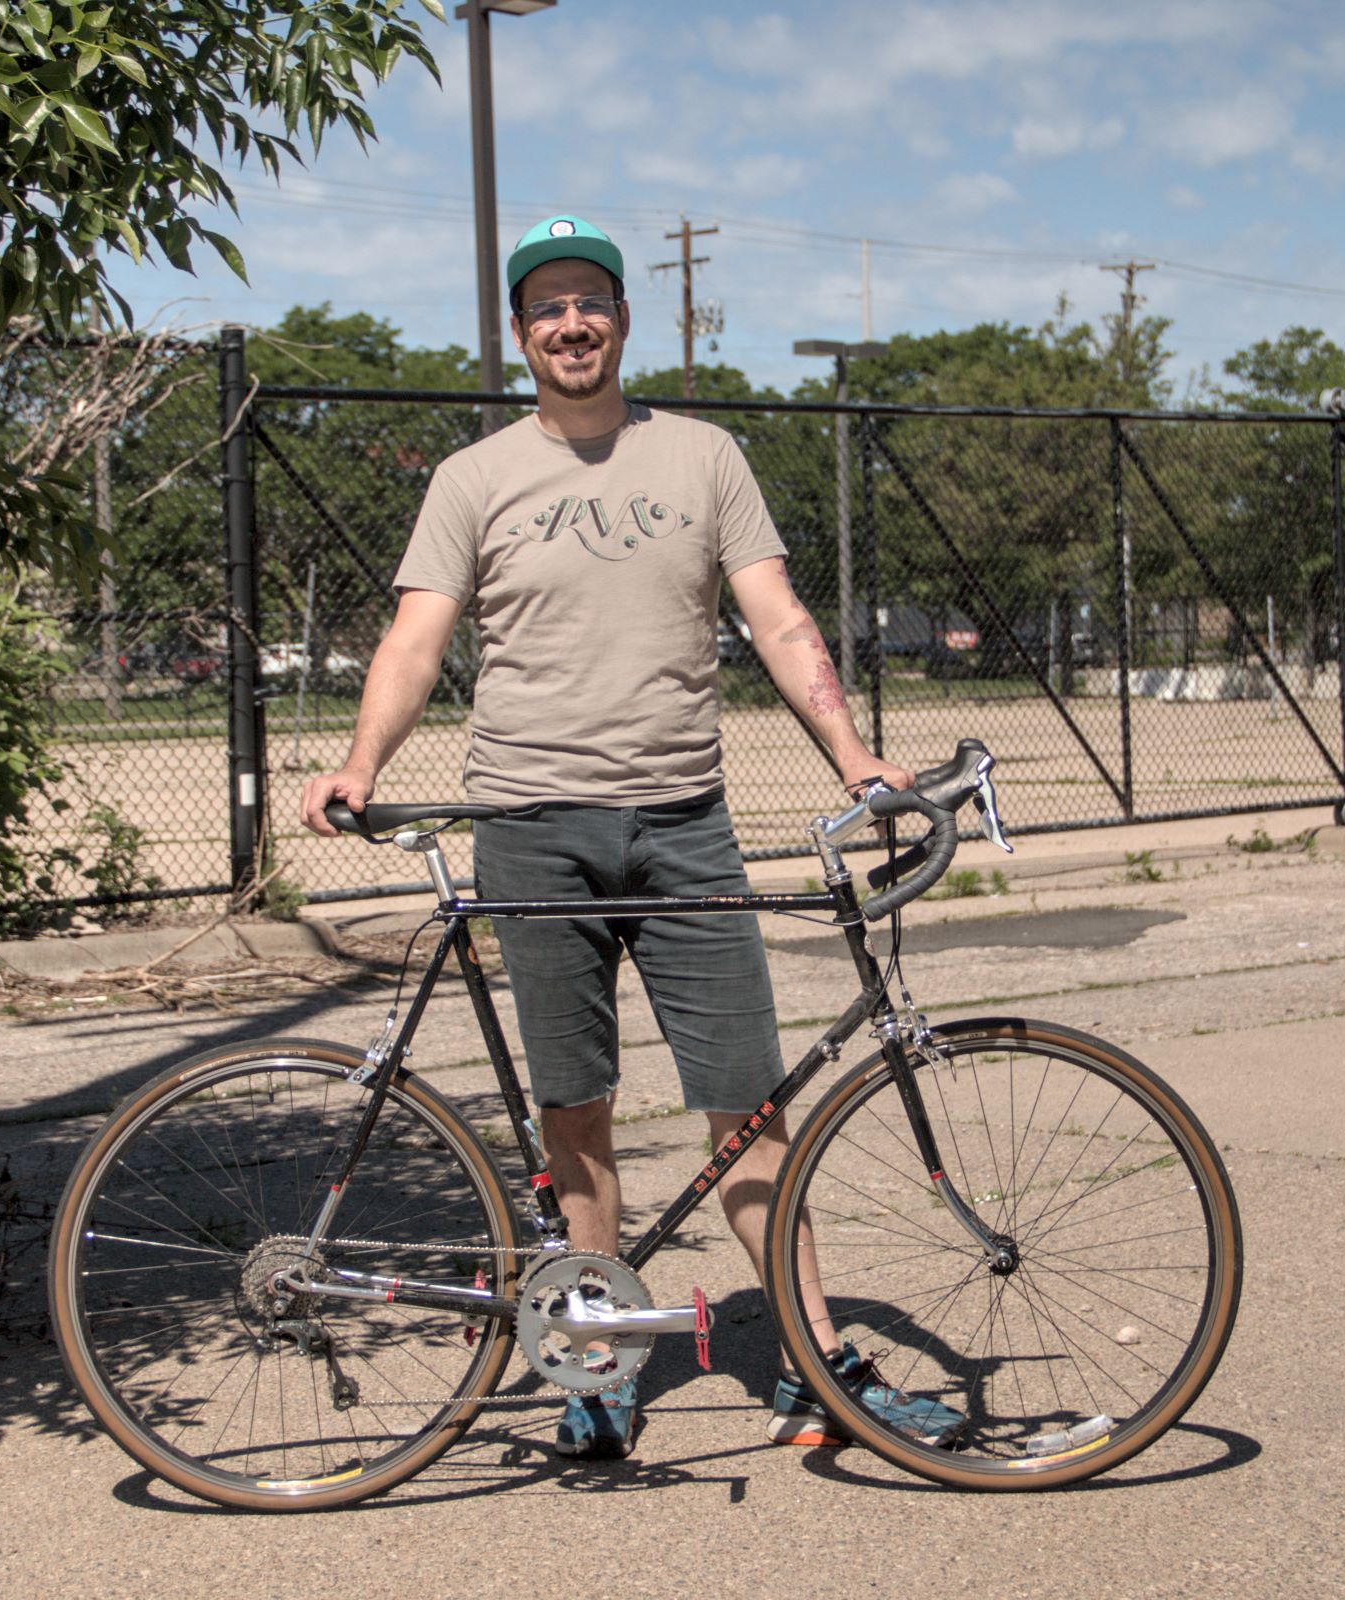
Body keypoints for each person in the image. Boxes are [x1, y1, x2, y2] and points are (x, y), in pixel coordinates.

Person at [300, 215, 963, 1460]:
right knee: (576, 1113)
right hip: (529, 830)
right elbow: (415, 637)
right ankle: (593, 1358)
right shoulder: (473, 476)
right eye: (544, 306)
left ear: (620, 318)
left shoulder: (706, 456)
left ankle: (816, 1362)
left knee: (747, 1109)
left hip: (684, 829)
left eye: (588, 301)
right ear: (517, 333)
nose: (568, 323)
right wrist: (358, 762)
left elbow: (775, 617)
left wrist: (854, 752)